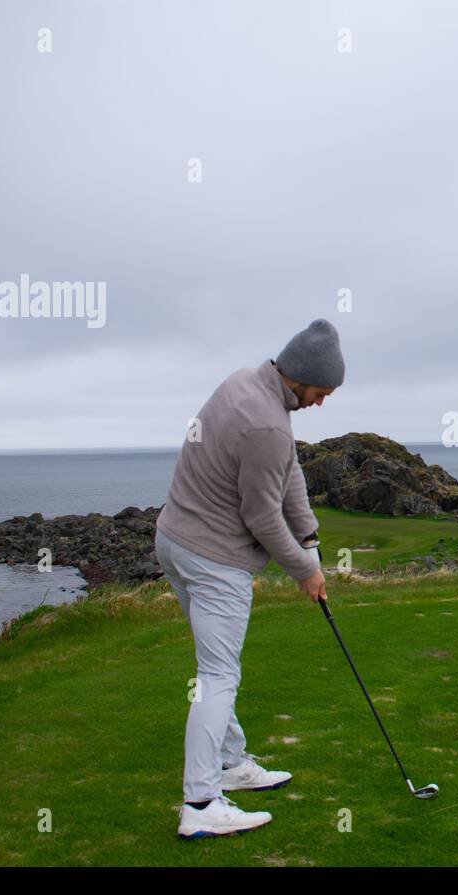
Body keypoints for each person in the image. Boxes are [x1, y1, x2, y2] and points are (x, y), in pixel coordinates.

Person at [154, 318, 344, 839]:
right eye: (321, 393)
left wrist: (308, 534)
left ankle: (231, 763)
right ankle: (199, 803)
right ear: (300, 377)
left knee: (216, 666)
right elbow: (260, 517)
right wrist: (306, 571)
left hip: (175, 539)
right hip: (213, 559)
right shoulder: (265, 424)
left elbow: (289, 470)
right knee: (218, 677)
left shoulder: (248, 384)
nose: (321, 403)